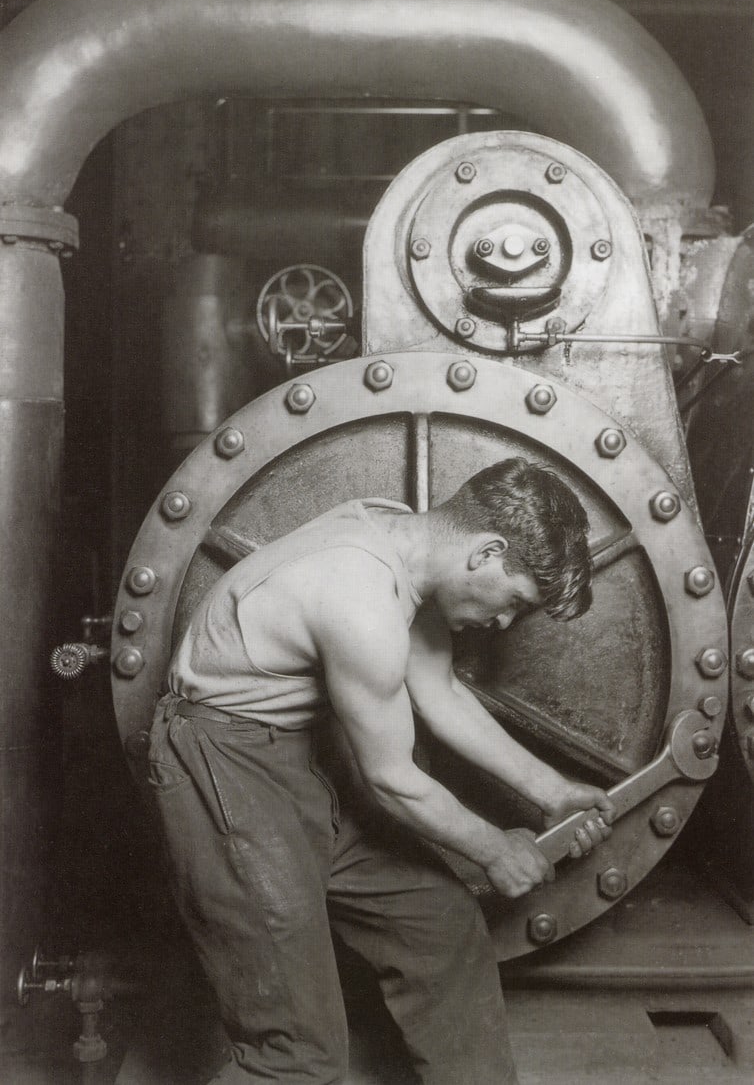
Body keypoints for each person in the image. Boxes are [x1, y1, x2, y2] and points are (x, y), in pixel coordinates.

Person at [148, 457, 615, 1085]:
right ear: (487, 552)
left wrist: (553, 791)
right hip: (223, 765)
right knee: (297, 1050)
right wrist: (493, 849)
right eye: (514, 601)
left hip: (299, 756)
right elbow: (391, 778)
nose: (502, 623)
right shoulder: (358, 596)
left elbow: (439, 688)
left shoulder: (403, 540)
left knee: (439, 929)